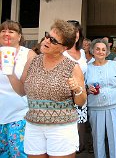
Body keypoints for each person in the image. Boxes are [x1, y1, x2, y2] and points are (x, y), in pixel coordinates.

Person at [7, 19, 87, 158]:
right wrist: (9, 72)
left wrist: (77, 89)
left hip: (61, 128)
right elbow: (22, 91)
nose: (47, 41)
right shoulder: (33, 62)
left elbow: (81, 101)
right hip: (34, 126)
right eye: (47, 36)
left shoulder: (72, 67)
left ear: (64, 48)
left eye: (53, 41)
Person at [0, 20, 36, 158]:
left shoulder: (28, 55)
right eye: (3, 31)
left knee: (18, 154)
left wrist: (9, 70)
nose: (6, 34)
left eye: (11, 31)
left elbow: (26, 89)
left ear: (19, 36)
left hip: (20, 115)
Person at [86, 38, 116, 158]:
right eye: (97, 49)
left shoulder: (114, 65)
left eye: (103, 49)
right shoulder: (87, 68)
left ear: (107, 52)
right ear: (92, 50)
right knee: (98, 140)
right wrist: (88, 90)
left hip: (114, 108)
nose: (100, 52)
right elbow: (82, 88)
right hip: (95, 108)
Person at [63, 20, 88, 154]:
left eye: (77, 31)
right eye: (71, 30)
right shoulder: (61, 51)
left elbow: (85, 75)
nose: (75, 34)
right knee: (67, 132)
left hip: (81, 94)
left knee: (79, 129)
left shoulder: (82, 52)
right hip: (66, 97)